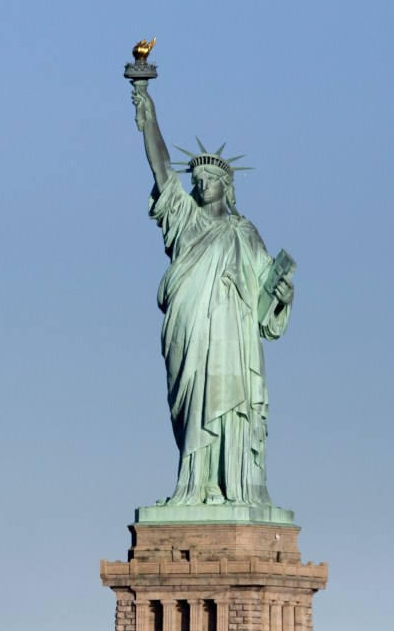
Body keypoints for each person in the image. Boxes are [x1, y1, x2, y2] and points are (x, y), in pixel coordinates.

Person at [131, 80, 294, 507]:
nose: (203, 184)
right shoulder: (184, 218)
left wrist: (282, 294)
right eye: (198, 179)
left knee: (228, 403)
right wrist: (149, 114)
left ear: (227, 186)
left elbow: (266, 301)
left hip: (231, 336)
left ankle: (231, 485)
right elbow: (162, 170)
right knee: (192, 406)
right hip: (190, 328)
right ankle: (194, 484)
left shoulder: (244, 233)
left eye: (211, 179)